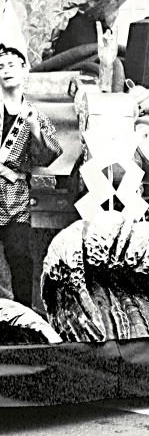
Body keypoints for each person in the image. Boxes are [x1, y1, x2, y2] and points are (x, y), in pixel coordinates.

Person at [0, 44, 62, 307]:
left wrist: (34, 127)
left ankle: (24, 317)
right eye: (0, 66)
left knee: (21, 260)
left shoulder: (34, 114)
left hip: (15, 197)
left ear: (25, 70)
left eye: (12, 65)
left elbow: (49, 155)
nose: (5, 71)